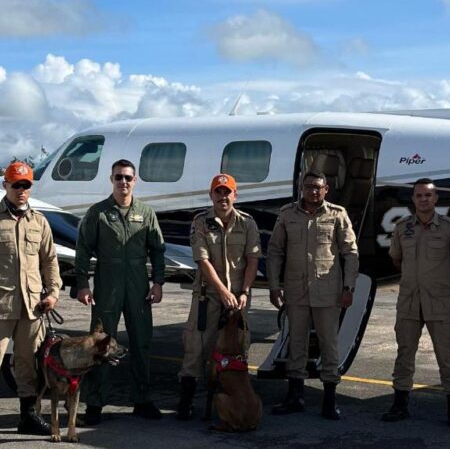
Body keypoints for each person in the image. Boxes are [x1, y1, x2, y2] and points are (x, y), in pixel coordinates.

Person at [0, 161, 62, 445]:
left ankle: (28, 417)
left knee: (27, 362)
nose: (22, 190)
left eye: (26, 185)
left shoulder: (39, 221)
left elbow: (49, 260)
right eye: (16, 184)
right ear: (5, 185)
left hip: (32, 306)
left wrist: (53, 292)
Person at [74, 159, 166, 425]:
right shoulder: (98, 213)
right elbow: (83, 250)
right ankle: (94, 404)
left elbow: (157, 250)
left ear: (135, 180)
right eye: (118, 177)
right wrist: (82, 284)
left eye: (127, 177)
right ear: (111, 180)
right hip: (107, 284)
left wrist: (157, 282)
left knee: (141, 343)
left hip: (138, 285)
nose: (123, 182)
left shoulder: (146, 213)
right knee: (101, 344)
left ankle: (142, 399)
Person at [267, 170, 359, 420]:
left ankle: (330, 399)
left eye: (318, 187)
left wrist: (348, 288)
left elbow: (350, 253)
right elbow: (275, 251)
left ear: (326, 189)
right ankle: (295, 396)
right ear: (301, 188)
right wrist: (274, 286)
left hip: (328, 293)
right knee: (296, 343)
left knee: (329, 344)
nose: (313, 191)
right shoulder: (287, 214)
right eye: (309, 187)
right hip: (296, 292)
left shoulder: (337, 214)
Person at [381, 178, 450, 426]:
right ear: (413, 199)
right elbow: (396, 260)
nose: (423, 199)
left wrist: (438, 280)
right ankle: (400, 405)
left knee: (446, 355)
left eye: (428, 195)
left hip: (439, 301)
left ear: (436, 198)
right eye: (419, 195)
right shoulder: (402, 227)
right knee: (404, 354)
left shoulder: (449, 227)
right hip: (409, 300)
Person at [175, 174, 260, 420]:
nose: (223, 197)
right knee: (196, 346)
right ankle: (186, 401)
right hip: (209, 296)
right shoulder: (201, 222)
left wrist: (243, 292)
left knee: (237, 347)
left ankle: (231, 398)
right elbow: (203, 260)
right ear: (211, 195)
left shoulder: (248, 223)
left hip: (238, 298)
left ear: (235, 195)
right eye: (218, 192)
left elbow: (253, 259)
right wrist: (223, 292)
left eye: (227, 192)